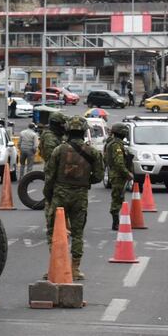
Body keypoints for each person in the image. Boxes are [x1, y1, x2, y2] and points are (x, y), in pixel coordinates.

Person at [43, 116, 104, 281]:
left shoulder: (59, 150)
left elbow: (49, 176)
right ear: (84, 132)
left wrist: (49, 196)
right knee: (78, 233)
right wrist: (84, 181)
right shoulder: (93, 152)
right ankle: (75, 269)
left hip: (60, 195)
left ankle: (57, 265)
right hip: (80, 196)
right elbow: (98, 176)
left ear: (68, 131)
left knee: (54, 232)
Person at [104, 123, 132, 231]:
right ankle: (115, 222)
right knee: (117, 198)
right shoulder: (116, 144)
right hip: (118, 175)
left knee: (119, 197)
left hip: (117, 174)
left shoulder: (116, 143)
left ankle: (117, 221)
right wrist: (127, 173)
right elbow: (119, 162)